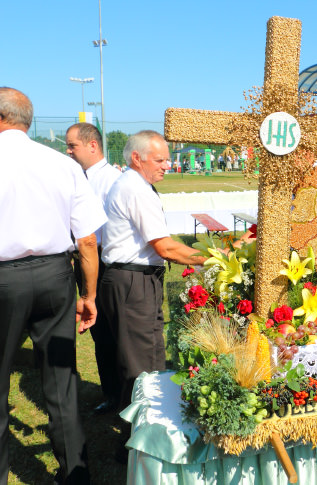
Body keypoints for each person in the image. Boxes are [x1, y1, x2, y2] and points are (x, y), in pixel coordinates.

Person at [0, 87, 107, 484]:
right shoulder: (61, 164)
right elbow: (88, 241)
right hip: (54, 276)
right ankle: (76, 473)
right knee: (61, 382)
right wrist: (89, 294)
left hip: (5, 277)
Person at [98, 130, 209, 460]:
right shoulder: (135, 189)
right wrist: (216, 258)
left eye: (167, 159)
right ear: (137, 158)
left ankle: (140, 433)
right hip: (133, 282)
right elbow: (164, 246)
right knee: (142, 365)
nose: (167, 166)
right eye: (159, 160)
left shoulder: (135, 185)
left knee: (143, 356)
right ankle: (143, 446)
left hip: (131, 280)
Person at [65, 122, 122, 415]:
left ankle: (123, 396)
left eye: (72, 145)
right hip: (83, 261)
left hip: (103, 261)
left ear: (92, 145)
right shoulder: (79, 177)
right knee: (99, 333)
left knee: (113, 333)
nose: (68, 151)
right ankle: (111, 394)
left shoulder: (112, 180)